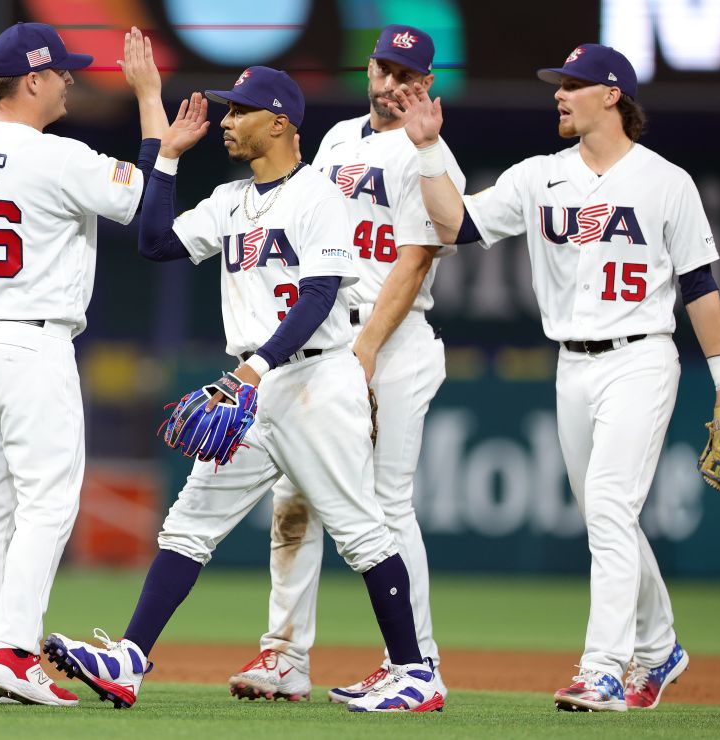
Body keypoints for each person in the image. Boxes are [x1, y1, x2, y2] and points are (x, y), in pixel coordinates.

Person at [44, 58, 444, 715]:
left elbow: (317, 299)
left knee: (363, 534)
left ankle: (414, 671)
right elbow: (154, 242)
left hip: (315, 379)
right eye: (228, 112)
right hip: (254, 388)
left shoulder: (320, 196)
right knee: (190, 524)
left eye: (240, 111)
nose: (227, 122)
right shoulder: (230, 202)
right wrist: (165, 158)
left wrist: (252, 372)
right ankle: (129, 659)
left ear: (280, 122)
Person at [396, 43, 720, 712]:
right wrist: (425, 148)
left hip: (641, 356)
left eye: (574, 85)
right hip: (571, 364)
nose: (559, 95)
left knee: (611, 509)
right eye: (558, 85)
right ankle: (662, 647)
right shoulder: (540, 176)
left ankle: (605, 670)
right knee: (604, 513)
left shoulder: (664, 181)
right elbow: (457, 223)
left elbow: (701, 287)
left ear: (612, 95)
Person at [0, 24, 164, 706]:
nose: (71, 81)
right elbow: (142, 200)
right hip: (30, 343)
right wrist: (149, 103)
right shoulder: (56, 157)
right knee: (46, 505)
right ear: (33, 80)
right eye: (64, 72)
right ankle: (14, 657)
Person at [226, 24, 463, 705]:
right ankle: (284, 655)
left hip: (391, 342)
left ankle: (418, 665)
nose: (392, 84)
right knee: (294, 497)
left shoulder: (430, 154)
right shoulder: (333, 141)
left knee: (386, 506)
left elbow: (418, 257)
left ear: (428, 84)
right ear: (367, 67)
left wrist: (363, 354)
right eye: (384, 68)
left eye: (407, 74)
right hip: (328, 339)